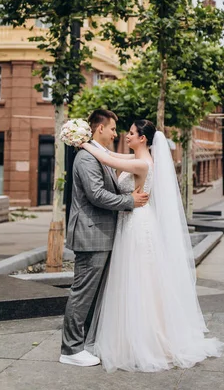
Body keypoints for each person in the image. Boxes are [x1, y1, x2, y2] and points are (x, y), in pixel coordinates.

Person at [82, 119, 223, 372]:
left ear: (143, 139)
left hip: (137, 223)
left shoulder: (141, 163)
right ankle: (132, 338)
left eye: (132, 133)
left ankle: (150, 341)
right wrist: (92, 143)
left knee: (140, 280)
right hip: (130, 220)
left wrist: (82, 143)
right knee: (133, 280)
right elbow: (110, 153)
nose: (126, 135)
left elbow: (108, 160)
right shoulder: (136, 158)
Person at [60, 109, 150, 367]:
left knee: (94, 293)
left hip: (101, 233)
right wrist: (129, 201)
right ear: (100, 128)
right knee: (82, 292)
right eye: (112, 128)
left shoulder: (100, 155)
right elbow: (97, 195)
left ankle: (85, 344)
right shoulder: (87, 159)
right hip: (90, 233)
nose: (115, 134)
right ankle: (70, 349)